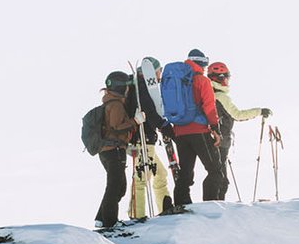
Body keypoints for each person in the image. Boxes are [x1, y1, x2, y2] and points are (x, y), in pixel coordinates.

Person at [204, 61, 271, 201]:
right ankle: (216, 207)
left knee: (217, 176)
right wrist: (260, 111)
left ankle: (214, 205)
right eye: (226, 77)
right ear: (219, 78)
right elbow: (238, 115)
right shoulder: (221, 97)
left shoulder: (208, 94)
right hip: (220, 141)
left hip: (210, 140)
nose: (228, 81)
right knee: (221, 180)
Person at [170, 49, 224, 208]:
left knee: (185, 172)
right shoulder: (202, 80)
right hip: (199, 131)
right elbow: (209, 107)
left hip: (180, 131)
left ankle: (181, 204)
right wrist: (215, 128)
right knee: (215, 170)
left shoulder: (176, 80)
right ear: (201, 63)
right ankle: (210, 205)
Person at [125, 71, 176, 217]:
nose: (160, 75)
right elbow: (150, 111)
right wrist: (164, 126)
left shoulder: (135, 88)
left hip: (142, 140)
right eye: (159, 71)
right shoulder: (142, 88)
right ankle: (137, 214)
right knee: (141, 177)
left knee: (160, 174)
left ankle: (162, 209)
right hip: (144, 139)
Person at [94, 70, 137, 228]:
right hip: (114, 150)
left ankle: (101, 218)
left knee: (118, 186)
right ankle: (110, 221)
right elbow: (116, 127)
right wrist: (135, 121)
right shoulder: (116, 105)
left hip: (107, 150)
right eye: (126, 87)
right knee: (116, 186)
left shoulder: (109, 102)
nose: (127, 90)